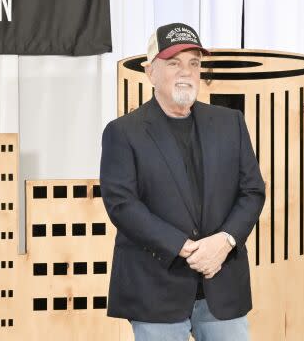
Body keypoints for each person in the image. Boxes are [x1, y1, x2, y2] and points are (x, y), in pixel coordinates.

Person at [100, 23, 266, 341]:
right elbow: (122, 204)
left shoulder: (230, 123)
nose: (186, 72)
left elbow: (252, 191)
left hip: (221, 281)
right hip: (155, 288)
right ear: (150, 72)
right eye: (174, 63)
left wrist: (225, 241)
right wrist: (186, 249)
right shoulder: (123, 133)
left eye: (194, 63)